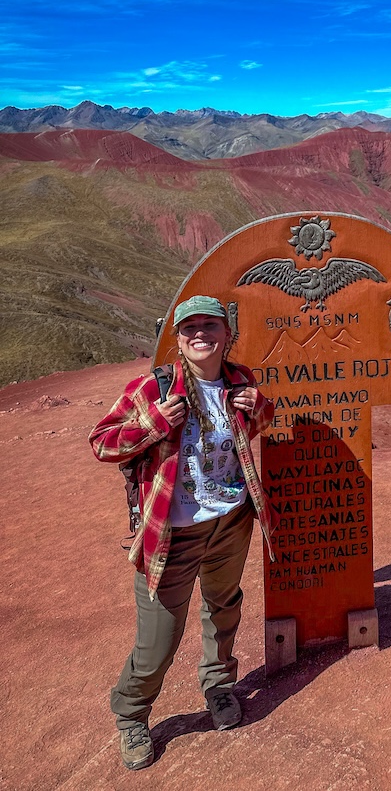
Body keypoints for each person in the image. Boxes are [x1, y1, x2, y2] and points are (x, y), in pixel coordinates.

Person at [90, 295, 276, 770]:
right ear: (177, 338)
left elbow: (253, 428)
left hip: (230, 522)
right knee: (158, 638)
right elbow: (102, 442)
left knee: (224, 609)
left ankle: (219, 687)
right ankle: (131, 713)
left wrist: (260, 406)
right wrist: (152, 424)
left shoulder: (240, 381)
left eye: (210, 326)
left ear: (226, 334)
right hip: (171, 533)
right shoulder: (154, 389)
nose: (201, 334)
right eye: (190, 327)